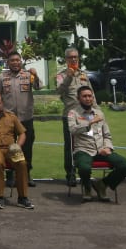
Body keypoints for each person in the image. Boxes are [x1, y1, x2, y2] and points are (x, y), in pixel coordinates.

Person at [68, 85, 126, 202]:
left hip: (101, 149)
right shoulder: (73, 113)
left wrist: (107, 147)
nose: (88, 99)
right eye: (84, 96)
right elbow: (72, 130)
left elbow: (107, 135)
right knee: (84, 168)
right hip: (83, 149)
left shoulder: (99, 113)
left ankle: (102, 184)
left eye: (90, 96)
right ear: (78, 98)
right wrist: (90, 122)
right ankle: (87, 187)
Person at [0, 51, 40, 186]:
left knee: (27, 147)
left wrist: (35, 75)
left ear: (21, 62)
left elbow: (38, 86)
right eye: (12, 60)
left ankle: (27, 175)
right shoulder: (2, 77)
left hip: (26, 118)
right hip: (8, 119)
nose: (15, 62)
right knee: (10, 147)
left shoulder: (28, 75)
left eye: (17, 60)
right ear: (8, 63)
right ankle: (10, 175)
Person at [55, 47, 94, 186]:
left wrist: (96, 111)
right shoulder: (61, 75)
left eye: (75, 57)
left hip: (86, 115)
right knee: (70, 146)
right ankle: (70, 174)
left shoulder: (83, 74)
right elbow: (58, 91)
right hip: (70, 116)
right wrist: (69, 77)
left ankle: (85, 173)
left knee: (87, 143)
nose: (73, 59)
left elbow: (91, 94)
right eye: (70, 57)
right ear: (66, 59)